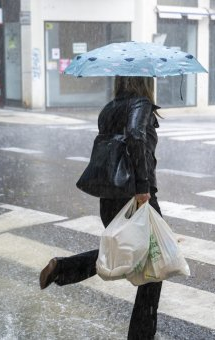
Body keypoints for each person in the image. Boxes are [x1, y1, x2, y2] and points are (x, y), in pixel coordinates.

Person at [39, 76, 162, 339]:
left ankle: (63, 269)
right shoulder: (140, 104)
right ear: (145, 81)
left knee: (128, 252)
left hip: (110, 197)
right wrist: (142, 188)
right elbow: (136, 136)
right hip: (135, 196)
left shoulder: (110, 108)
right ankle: (141, 336)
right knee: (153, 261)